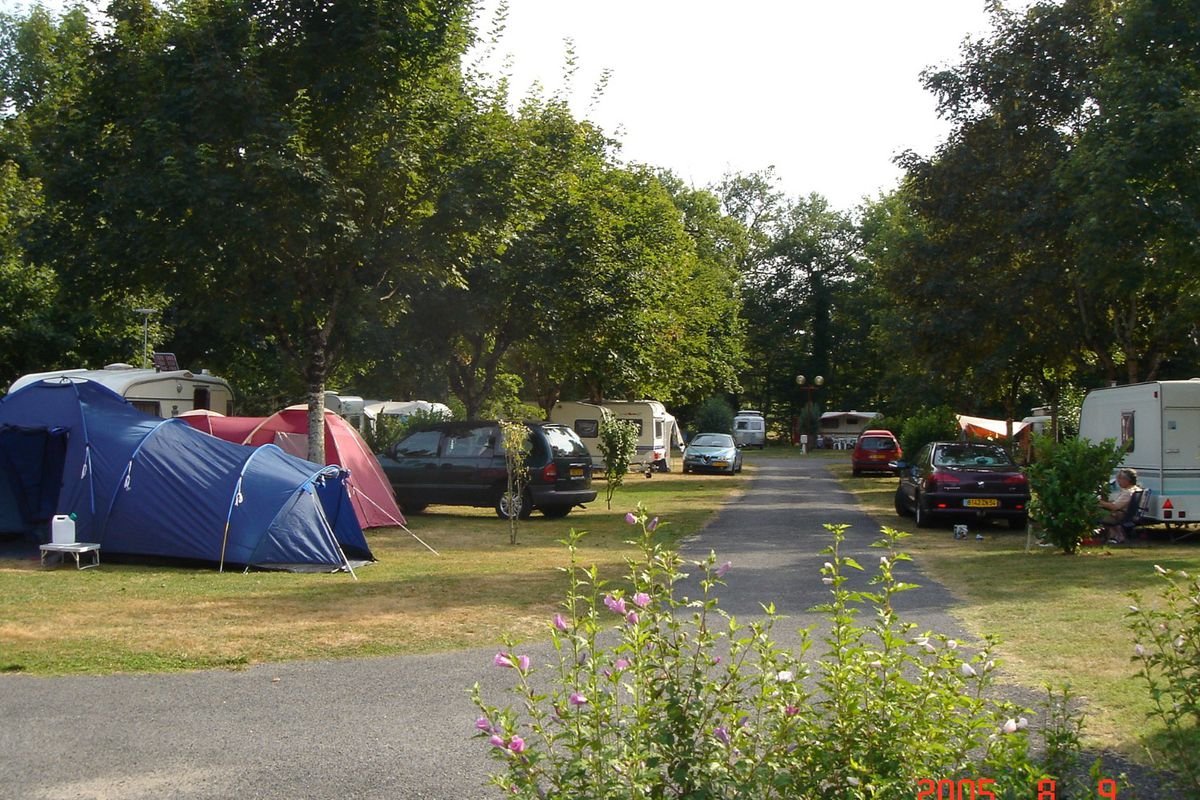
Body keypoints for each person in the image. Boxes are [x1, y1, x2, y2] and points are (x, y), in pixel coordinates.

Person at [1097, 468, 1139, 544]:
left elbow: (1114, 507)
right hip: (1126, 515)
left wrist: (1099, 502)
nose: (1118, 481)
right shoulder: (1136, 489)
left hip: (1120, 516)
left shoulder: (1127, 492)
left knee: (1095, 513)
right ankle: (1117, 535)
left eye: (1120, 479)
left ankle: (1113, 536)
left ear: (1127, 480)